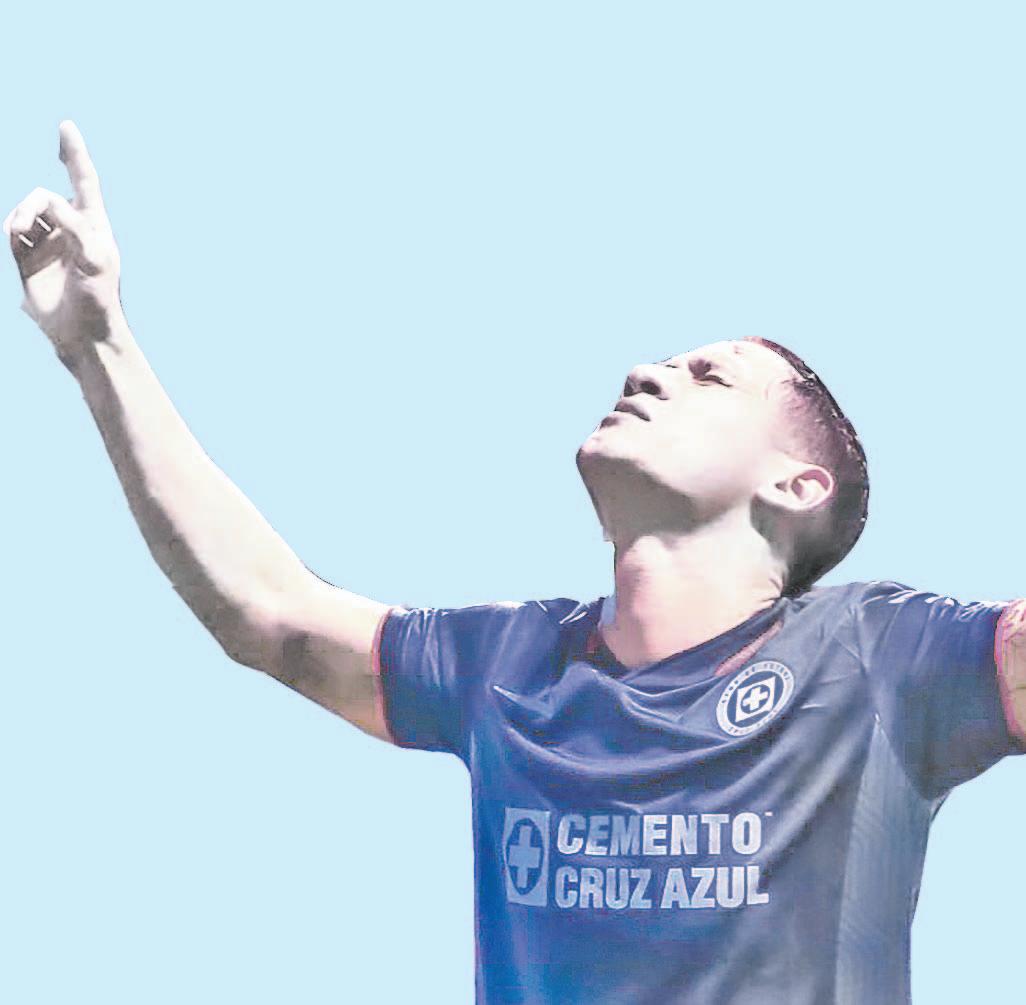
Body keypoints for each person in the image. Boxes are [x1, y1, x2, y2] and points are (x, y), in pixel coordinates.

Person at [7, 120, 1026, 1005]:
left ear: (796, 485)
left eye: (709, 376)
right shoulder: (510, 666)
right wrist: (99, 344)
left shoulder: (881, 658)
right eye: (664, 361)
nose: (647, 370)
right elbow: (271, 613)